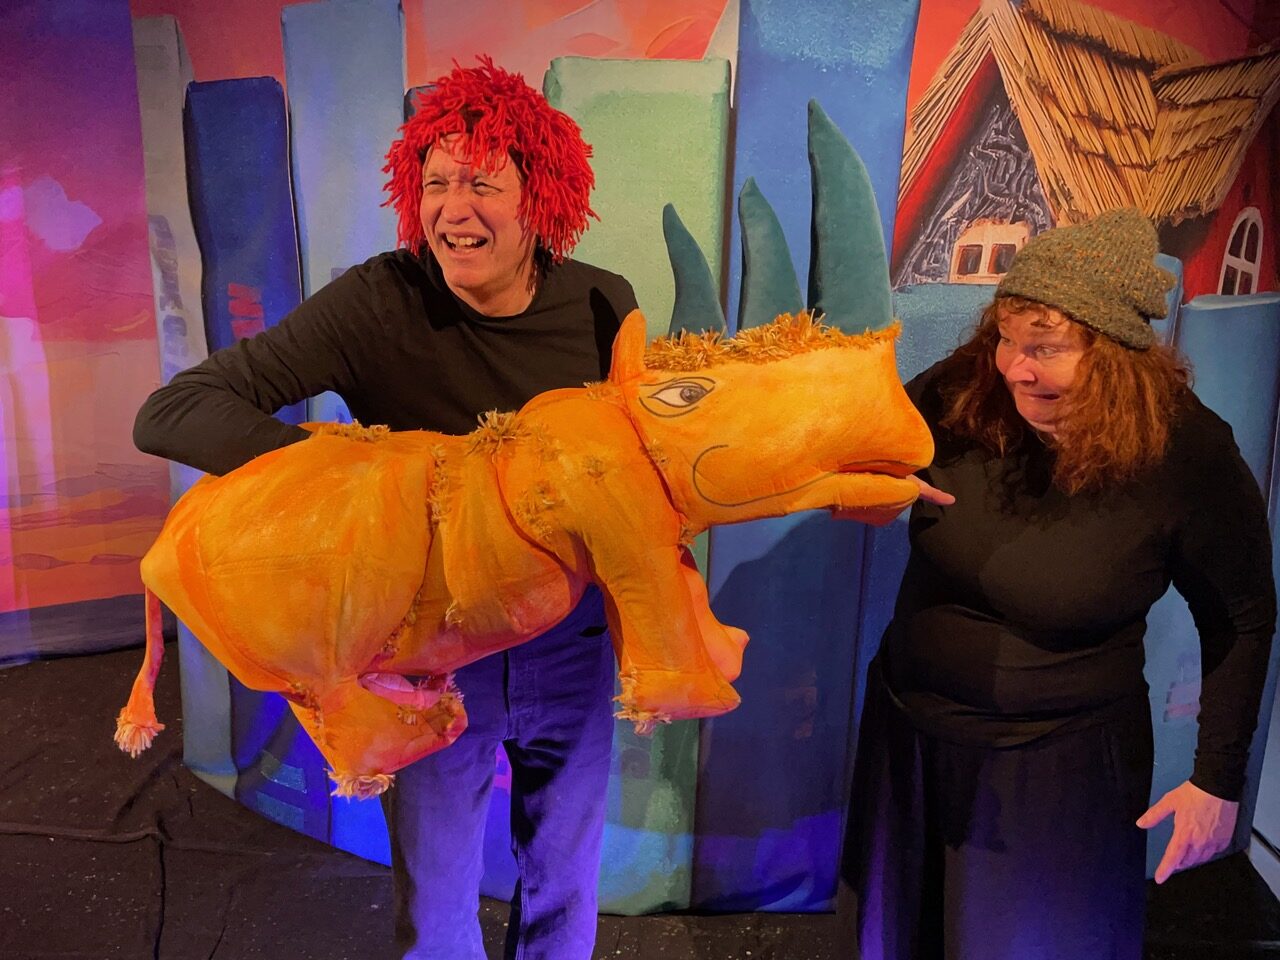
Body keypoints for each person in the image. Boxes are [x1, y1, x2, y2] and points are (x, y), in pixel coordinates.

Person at [133, 58, 637, 960]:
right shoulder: (380, 301)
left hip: (571, 643)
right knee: (436, 904)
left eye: (482, 183)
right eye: (436, 183)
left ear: (540, 197)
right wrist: (345, 479)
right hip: (433, 657)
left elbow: (632, 472)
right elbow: (174, 410)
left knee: (566, 884)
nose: (453, 209)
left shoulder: (604, 303)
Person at [839, 208, 1276, 959]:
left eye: (1043, 349)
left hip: (1055, 776)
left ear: (1116, 355)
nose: (1015, 368)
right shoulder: (967, 388)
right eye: (1007, 339)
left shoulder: (1185, 453)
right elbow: (870, 449)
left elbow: (1241, 617)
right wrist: (864, 486)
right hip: (909, 740)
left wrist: (1217, 781)